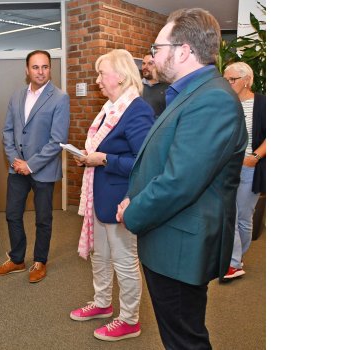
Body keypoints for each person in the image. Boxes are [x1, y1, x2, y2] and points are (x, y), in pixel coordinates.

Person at [115, 8, 247, 349]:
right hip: (170, 237)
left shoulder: (212, 99)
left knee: (184, 341)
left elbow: (179, 182)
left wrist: (132, 212)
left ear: (184, 50)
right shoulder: (190, 93)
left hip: (180, 246)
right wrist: (137, 195)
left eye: (158, 48)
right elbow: (168, 162)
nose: (153, 56)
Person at [69, 49, 155, 342]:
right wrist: (89, 157)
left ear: (119, 76)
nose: (97, 80)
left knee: (124, 261)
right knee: (101, 257)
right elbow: (106, 149)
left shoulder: (137, 110)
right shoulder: (110, 107)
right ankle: (102, 304)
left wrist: (103, 159)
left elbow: (145, 163)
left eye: (101, 73)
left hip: (121, 201)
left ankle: (130, 320)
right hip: (100, 197)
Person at [0, 50, 70, 283]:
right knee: (12, 215)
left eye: (45, 67)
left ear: (50, 69)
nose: (40, 71)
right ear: (27, 70)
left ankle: (40, 261)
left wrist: (31, 165)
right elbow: (8, 131)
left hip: (42, 170)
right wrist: (16, 160)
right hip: (17, 168)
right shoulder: (16, 96)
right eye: (35, 67)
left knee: (43, 218)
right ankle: (16, 259)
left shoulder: (59, 98)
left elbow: (57, 140)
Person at [221, 62, 266, 281]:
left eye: (232, 79)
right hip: (227, 167)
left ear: (246, 80)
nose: (228, 83)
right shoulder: (225, 104)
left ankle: (237, 258)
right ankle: (234, 262)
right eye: (226, 79)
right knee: (229, 213)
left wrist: (254, 157)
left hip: (249, 167)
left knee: (244, 217)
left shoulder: (263, 103)